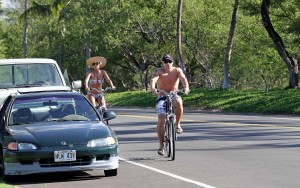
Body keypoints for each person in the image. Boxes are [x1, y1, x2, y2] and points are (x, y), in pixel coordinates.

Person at [150, 54, 190, 156]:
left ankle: (177, 125)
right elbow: (153, 80)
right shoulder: (159, 71)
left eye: (170, 61)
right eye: (166, 61)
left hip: (173, 95)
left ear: (172, 62)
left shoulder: (177, 70)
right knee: (161, 119)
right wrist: (153, 88)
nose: (168, 63)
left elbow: (183, 79)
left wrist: (186, 88)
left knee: (179, 102)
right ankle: (161, 147)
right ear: (162, 62)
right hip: (162, 96)